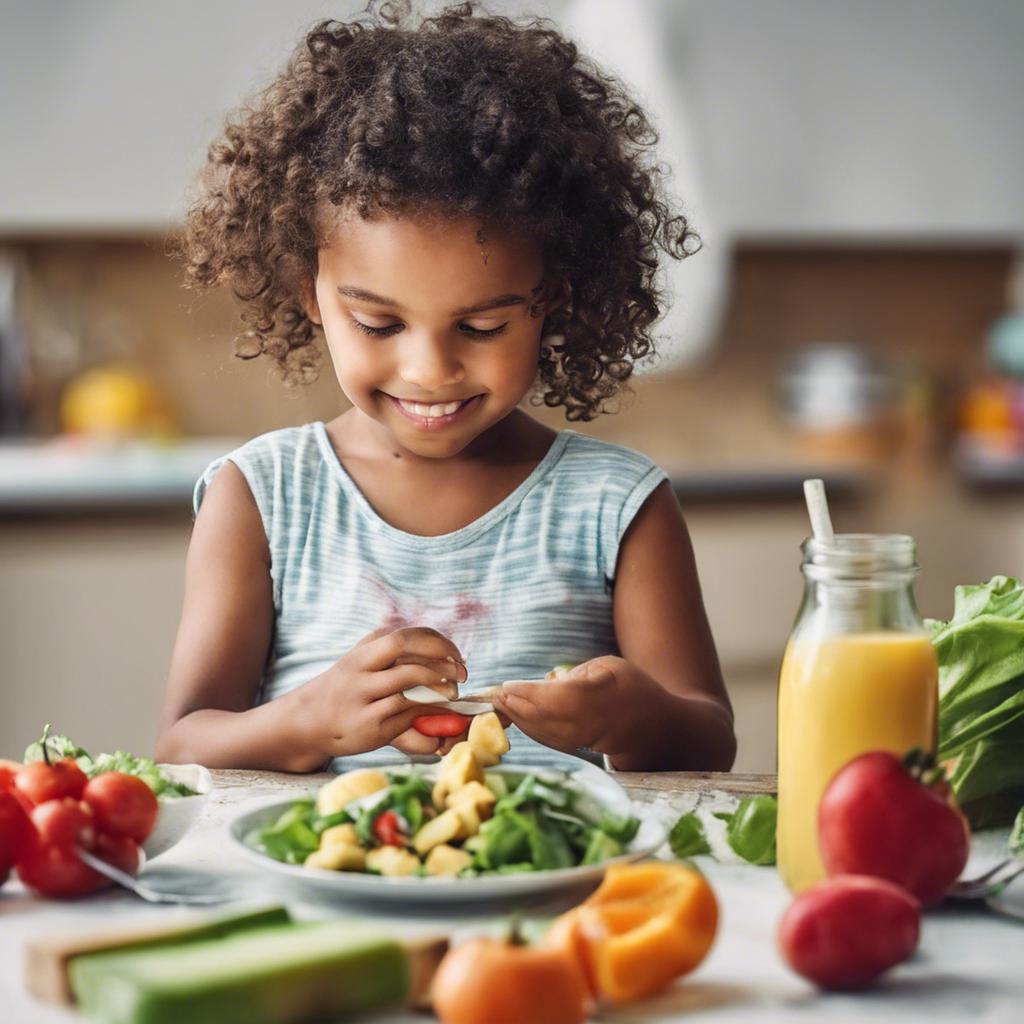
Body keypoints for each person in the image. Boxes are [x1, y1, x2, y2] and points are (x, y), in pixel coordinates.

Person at [155, 1, 735, 775]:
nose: (431, 370)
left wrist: (633, 717)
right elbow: (182, 743)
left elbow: (709, 742)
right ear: (310, 292)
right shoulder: (261, 496)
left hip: (558, 889)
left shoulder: (619, 506)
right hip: (327, 890)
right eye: (379, 324)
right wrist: (311, 720)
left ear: (553, 297)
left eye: (484, 327)